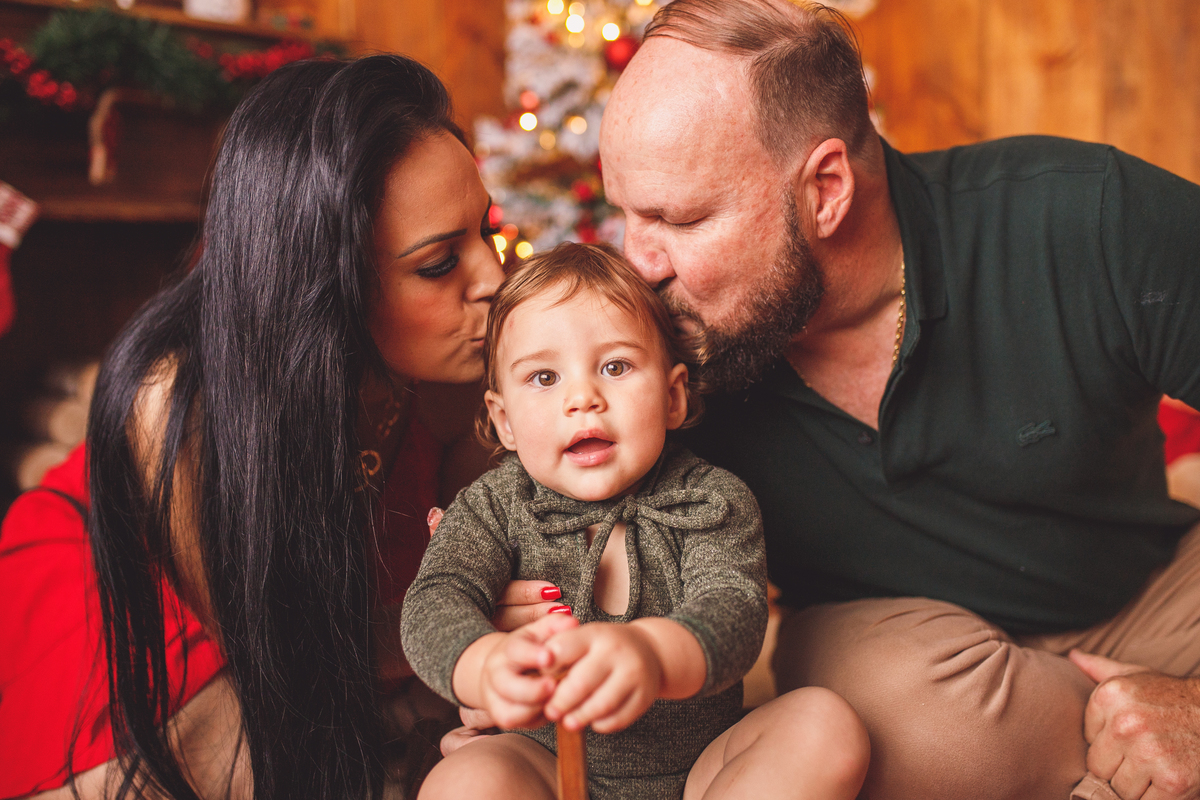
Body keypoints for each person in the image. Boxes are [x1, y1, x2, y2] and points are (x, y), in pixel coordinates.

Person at [594, 2, 1200, 800]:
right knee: (914, 729)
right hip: (905, 654)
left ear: (827, 188)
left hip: (1147, 595)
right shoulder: (664, 336)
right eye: (624, 213)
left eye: (681, 218)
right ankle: (1128, 742)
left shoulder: (1086, 213)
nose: (638, 264)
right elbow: (559, 514)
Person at [0, 54, 565, 800]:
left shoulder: (460, 354)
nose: (492, 277)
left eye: (485, 229)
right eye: (437, 263)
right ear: (326, 279)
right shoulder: (173, 403)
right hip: (137, 601)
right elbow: (278, 654)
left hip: (360, 616)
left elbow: (485, 553)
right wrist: (456, 627)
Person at [401, 243, 869, 800]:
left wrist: (651, 653)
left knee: (825, 725)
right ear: (503, 420)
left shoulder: (710, 499)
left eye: (615, 367)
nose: (583, 398)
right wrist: (484, 664)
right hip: (545, 764)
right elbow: (435, 599)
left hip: (704, 766)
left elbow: (734, 614)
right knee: (464, 782)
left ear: (673, 397)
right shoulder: (492, 507)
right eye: (544, 378)